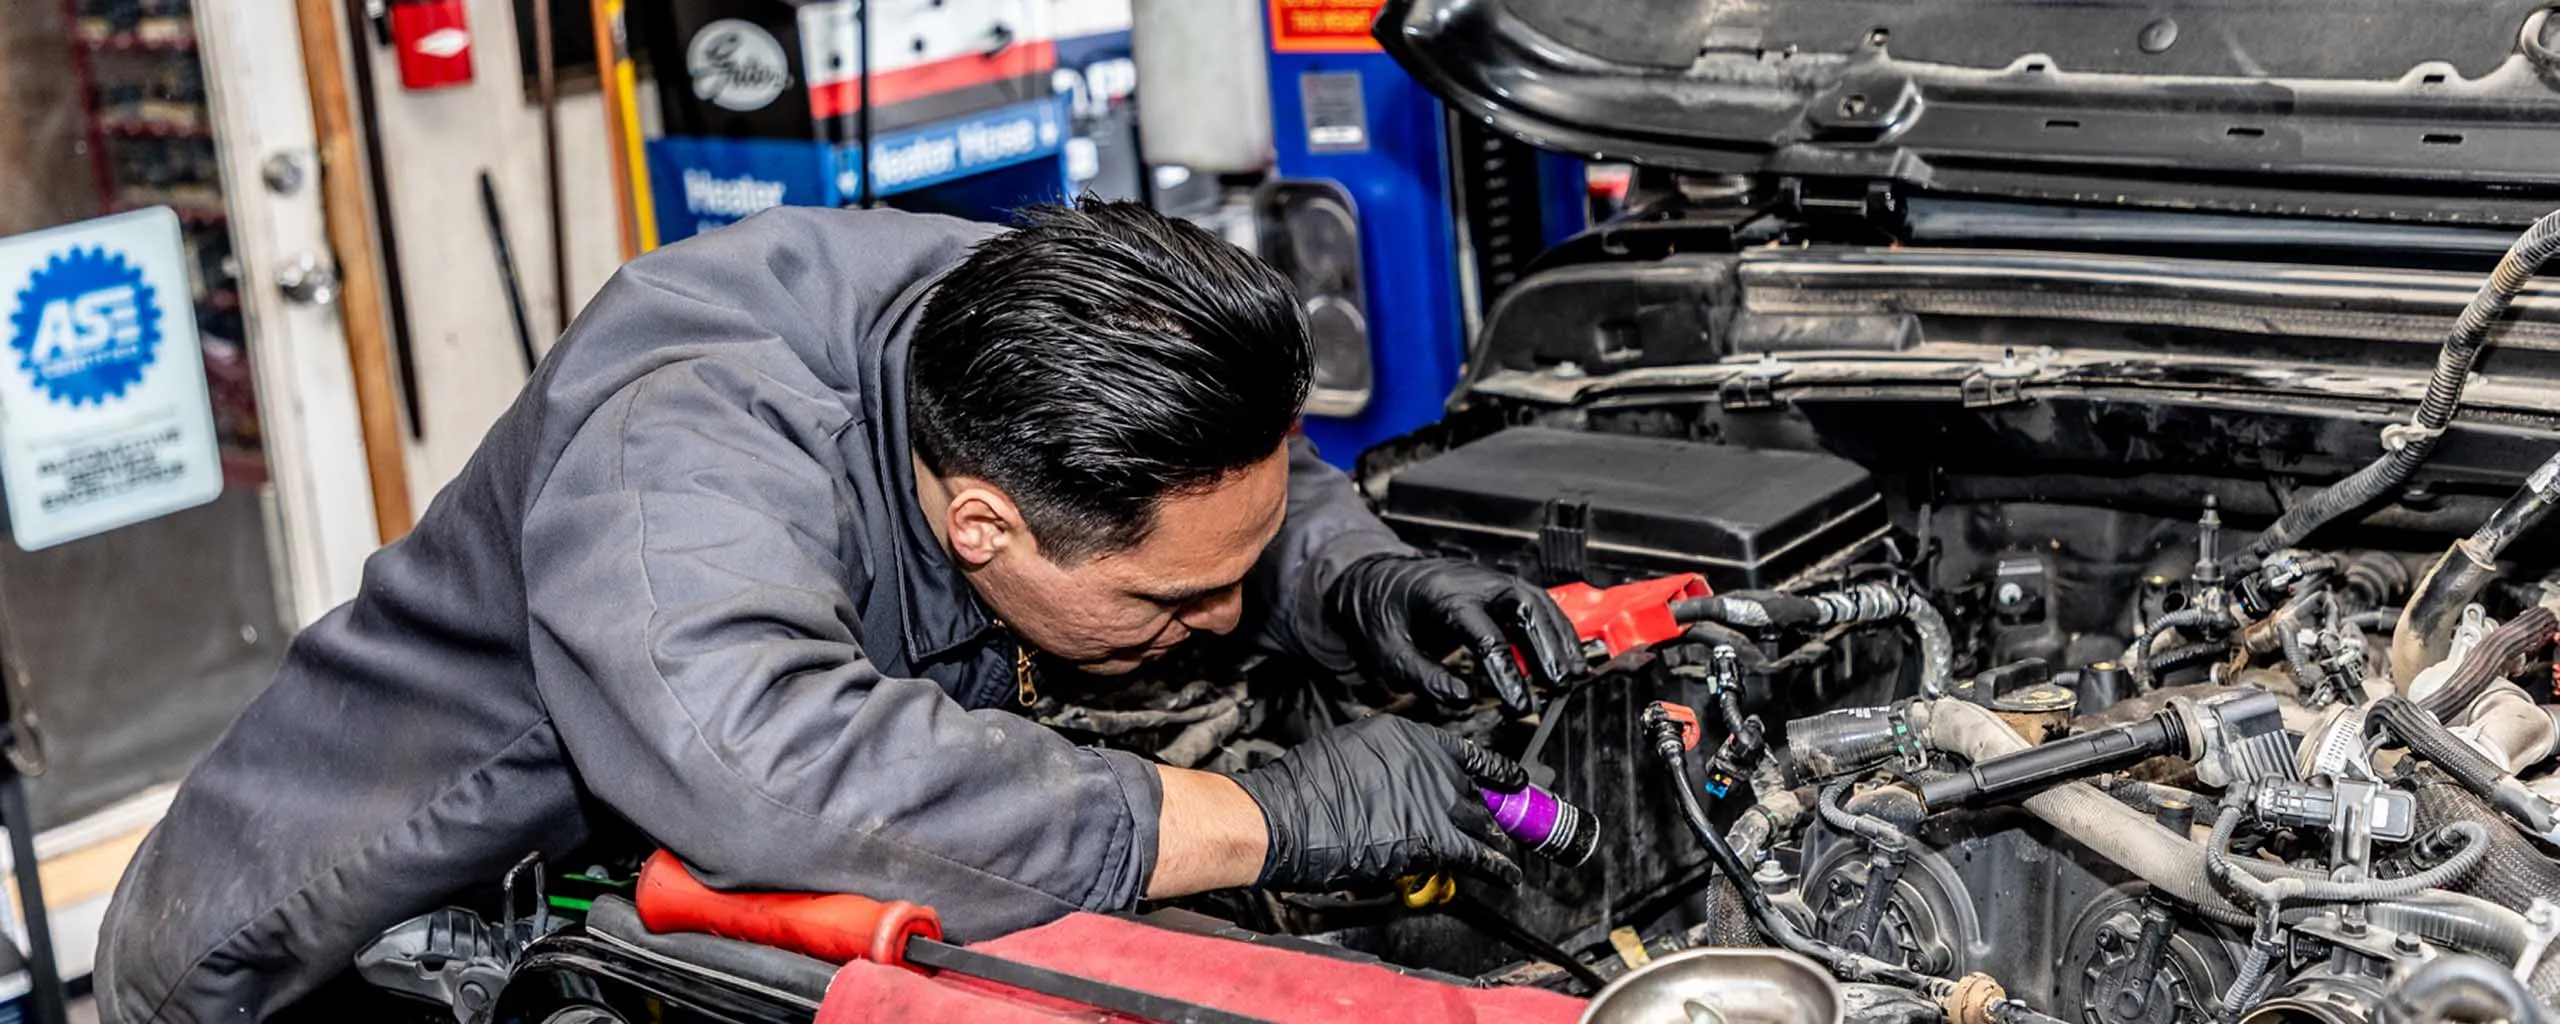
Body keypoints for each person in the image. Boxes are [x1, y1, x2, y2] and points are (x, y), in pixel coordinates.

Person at [97, 199, 1583, 1022]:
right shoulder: (683, 443)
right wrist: (1269, 820)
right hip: (324, 959)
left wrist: (1356, 577)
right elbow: (775, 770)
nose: (1218, 618)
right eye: (1179, 601)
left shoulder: (990, 312)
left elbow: (1223, 490)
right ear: (980, 525)